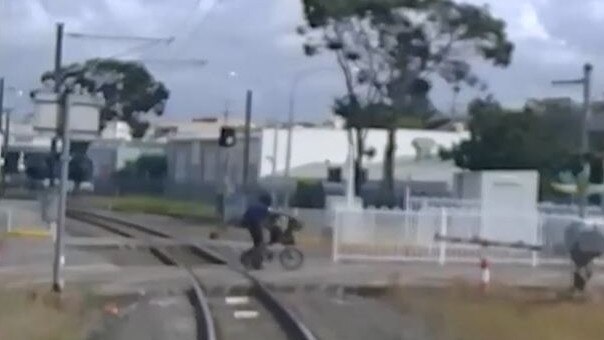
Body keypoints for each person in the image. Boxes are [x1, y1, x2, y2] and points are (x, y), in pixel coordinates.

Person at [241, 193, 273, 260]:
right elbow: (267, 220)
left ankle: (252, 258)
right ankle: (247, 256)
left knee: (257, 243)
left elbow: (245, 216)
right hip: (255, 225)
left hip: (249, 225)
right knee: (259, 243)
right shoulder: (266, 208)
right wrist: (269, 228)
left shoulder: (253, 206)